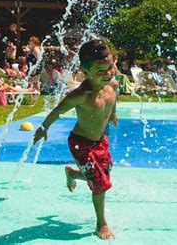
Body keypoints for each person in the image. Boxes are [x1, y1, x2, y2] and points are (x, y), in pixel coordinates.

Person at [33, 39, 117, 240]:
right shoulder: (81, 95)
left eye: (110, 67)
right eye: (100, 71)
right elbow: (58, 110)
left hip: (100, 140)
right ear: (85, 72)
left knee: (105, 171)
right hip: (81, 144)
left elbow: (115, 97)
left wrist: (113, 113)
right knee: (99, 182)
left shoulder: (112, 83)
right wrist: (43, 128)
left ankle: (71, 173)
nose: (107, 74)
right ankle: (101, 223)